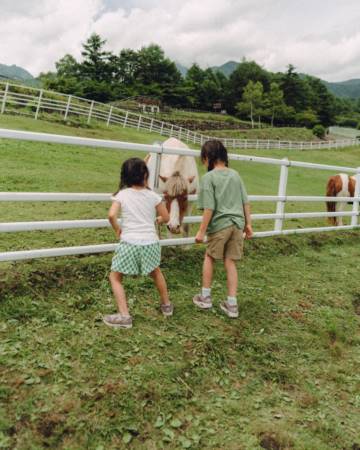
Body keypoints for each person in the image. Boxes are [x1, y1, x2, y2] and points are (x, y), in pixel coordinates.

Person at [103, 157, 173, 329]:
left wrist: (117, 229)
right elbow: (166, 218)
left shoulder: (122, 194)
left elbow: (111, 215)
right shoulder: (153, 196)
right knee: (156, 272)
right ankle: (166, 306)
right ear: (145, 176)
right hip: (150, 243)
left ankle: (124, 316)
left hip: (130, 242)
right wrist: (156, 219)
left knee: (115, 277)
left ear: (125, 177)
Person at [193, 140, 253, 318]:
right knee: (230, 261)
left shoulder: (208, 178)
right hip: (238, 224)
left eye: (203, 158)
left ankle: (205, 297)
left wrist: (201, 231)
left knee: (210, 257)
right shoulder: (235, 175)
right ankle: (232, 304)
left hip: (220, 225)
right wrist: (248, 224)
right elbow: (245, 202)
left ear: (208, 158)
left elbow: (209, 207)